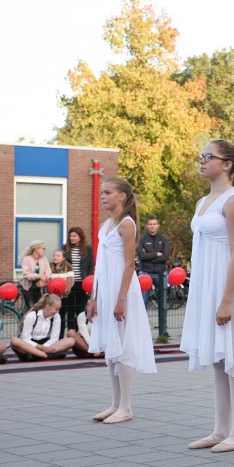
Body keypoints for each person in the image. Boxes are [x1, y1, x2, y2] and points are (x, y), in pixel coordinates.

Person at [180, 139, 234, 454]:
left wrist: (227, 299)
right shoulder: (203, 201)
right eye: (201, 155)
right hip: (208, 284)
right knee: (218, 358)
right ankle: (219, 430)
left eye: (208, 156)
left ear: (227, 164)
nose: (202, 160)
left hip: (231, 285)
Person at [86, 177, 158, 424]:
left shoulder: (127, 224)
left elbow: (129, 264)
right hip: (105, 290)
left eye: (108, 192)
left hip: (122, 290)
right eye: (102, 193)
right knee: (111, 345)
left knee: (123, 344)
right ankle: (115, 403)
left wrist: (121, 298)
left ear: (122, 196)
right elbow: (100, 264)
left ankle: (126, 406)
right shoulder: (105, 226)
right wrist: (94, 297)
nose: (103, 196)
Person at [10, 294, 73, 361]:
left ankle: (37, 355)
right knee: (14, 341)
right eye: (56, 309)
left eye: (59, 309)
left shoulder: (56, 317)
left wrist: (45, 347)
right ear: (47, 306)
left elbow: (54, 339)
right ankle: (44, 355)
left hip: (46, 344)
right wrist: (41, 348)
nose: (57, 312)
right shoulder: (32, 316)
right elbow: (25, 338)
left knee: (71, 340)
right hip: (30, 345)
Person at [64, 227, 94, 333]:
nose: (72, 238)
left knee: (81, 308)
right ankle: (71, 331)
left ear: (80, 237)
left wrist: (88, 280)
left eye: (74, 236)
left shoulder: (88, 248)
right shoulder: (65, 248)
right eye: (70, 236)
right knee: (70, 308)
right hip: (70, 283)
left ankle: (81, 331)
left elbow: (91, 264)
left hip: (83, 282)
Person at [137, 215, 170, 309]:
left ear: (158, 225)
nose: (152, 226)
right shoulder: (141, 240)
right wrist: (156, 254)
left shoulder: (164, 240)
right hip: (145, 273)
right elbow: (142, 256)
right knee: (143, 303)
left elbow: (165, 257)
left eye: (154, 224)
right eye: (150, 224)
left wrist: (149, 256)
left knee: (163, 303)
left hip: (161, 273)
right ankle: (143, 324)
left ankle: (163, 324)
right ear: (147, 226)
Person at [19, 241, 51, 309]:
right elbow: (26, 275)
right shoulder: (26, 259)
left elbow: (48, 271)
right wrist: (39, 276)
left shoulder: (44, 258)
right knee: (31, 308)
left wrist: (45, 279)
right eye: (43, 249)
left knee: (38, 307)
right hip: (28, 288)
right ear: (36, 249)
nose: (44, 251)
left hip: (39, 288)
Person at [51, 249, 75, 332]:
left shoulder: (67, 266)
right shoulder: (50, 266)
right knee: (51, 315)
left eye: (58, 256)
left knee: (61, 315)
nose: (55, 257)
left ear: (63, 258)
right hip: (52, 296)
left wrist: (65, 290)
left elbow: (71, 280)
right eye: (54, 255)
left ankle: (60, 335)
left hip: (64, 296)